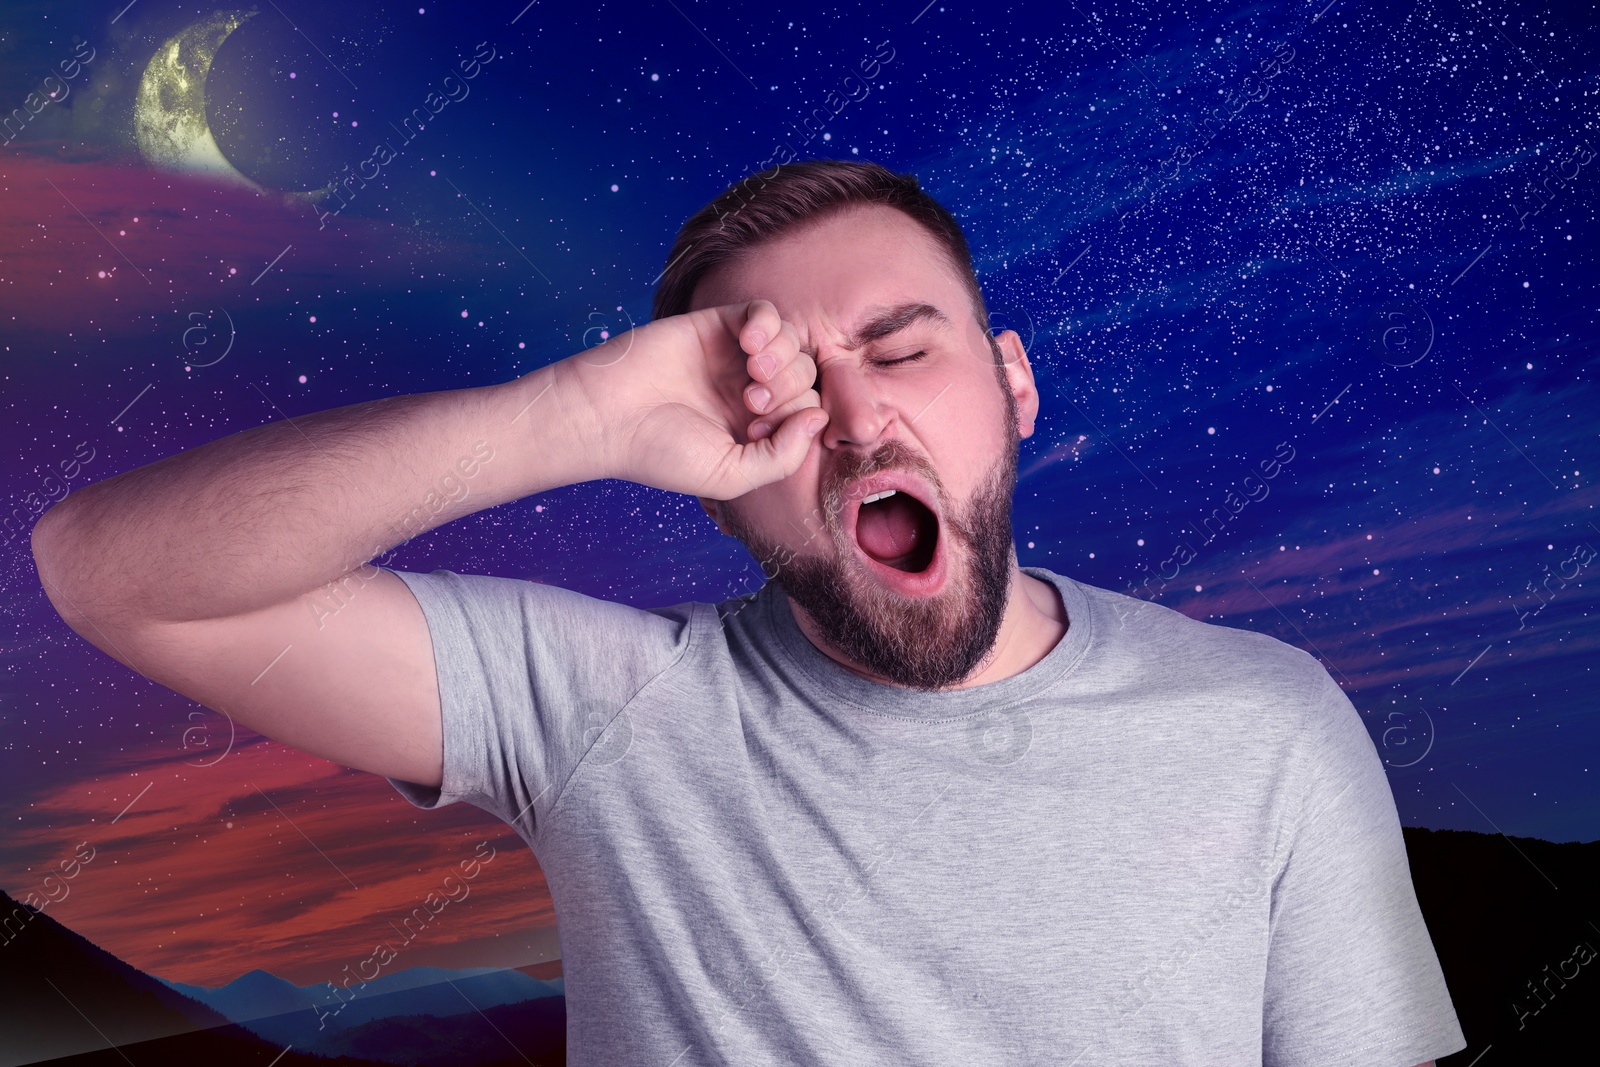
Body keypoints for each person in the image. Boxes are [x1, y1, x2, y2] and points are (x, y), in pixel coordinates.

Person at [31, 159, 1464, 1066]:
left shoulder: (1265, 723)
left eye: (904, 348)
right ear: (716, 493)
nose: (855, 418)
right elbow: (111, 572)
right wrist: (574, 414)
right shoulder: (605, 708)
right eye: (775, 397)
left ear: (1014, 389)